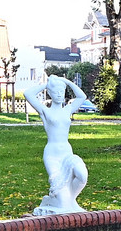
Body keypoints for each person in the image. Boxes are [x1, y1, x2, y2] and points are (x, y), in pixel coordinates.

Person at [24, 74, 92, 214]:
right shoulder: (45, 112)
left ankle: (71, 202)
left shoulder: (67, 110)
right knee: (61, 200)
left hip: (67, 152)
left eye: (62, 91)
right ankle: (63, 202)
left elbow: (82, 96)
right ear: (50, 93)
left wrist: (65, 81)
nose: (60, 95)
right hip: (52, 156)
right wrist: (47, 84)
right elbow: (28, 94)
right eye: (56, 92)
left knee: (82, 176)